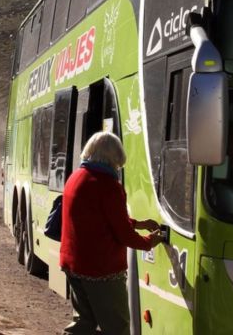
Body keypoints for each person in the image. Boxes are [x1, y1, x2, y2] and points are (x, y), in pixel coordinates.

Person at [60, 132, 165, 335]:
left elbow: (98, 218)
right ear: (114, 157)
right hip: (101, 270)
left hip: (72, 264)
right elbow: (122, 233)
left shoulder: (76, 177)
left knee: (83, 323)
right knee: (117, 326)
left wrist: (138, 223)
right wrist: (149, 242)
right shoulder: (108, 186)